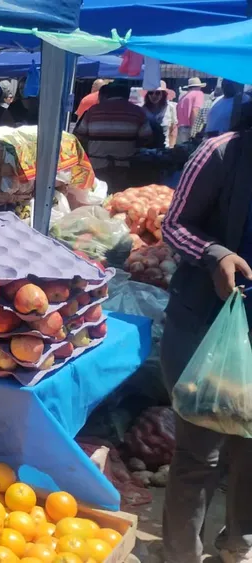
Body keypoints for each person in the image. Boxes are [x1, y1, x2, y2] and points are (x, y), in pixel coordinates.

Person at [158, 111, 252, 563]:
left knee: (250, 450)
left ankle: (239, 543)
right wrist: (214, 255)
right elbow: (173, 224)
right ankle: (181, 553)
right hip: (207, 326)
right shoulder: (220, 153)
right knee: (201, 450)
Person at [74, 81, 154, 192]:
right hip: (124, 167)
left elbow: (79, 137)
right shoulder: (138, 112)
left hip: (96, 165)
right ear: (127, 95)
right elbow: (146, 139)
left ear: (105, 95)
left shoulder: (92, 111)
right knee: (119, 200)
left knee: (97, 195)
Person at [177, 77, 207, 143]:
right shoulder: (199, 94)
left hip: (180, 127)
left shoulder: (184, 96)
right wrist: (194, 130)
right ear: (199, 86)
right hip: (189, 127)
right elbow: (195, 110)